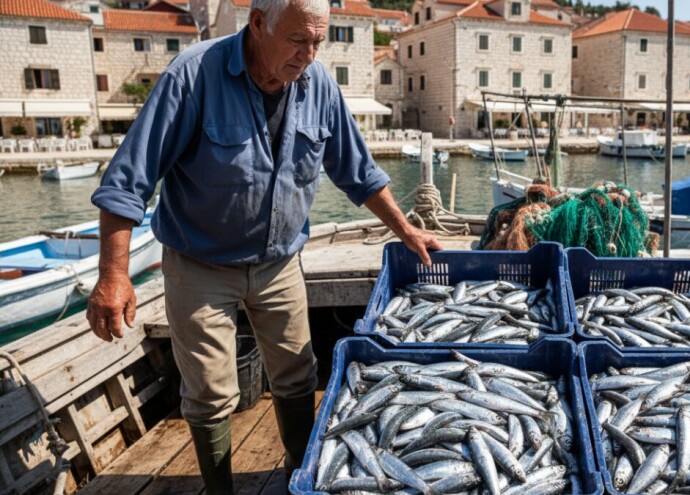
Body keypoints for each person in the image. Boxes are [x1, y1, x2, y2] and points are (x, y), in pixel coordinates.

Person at [86, 0, 441, 492]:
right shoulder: (192, 76)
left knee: (298, 374)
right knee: (211, 393)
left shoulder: (318, 86)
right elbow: (128, 181)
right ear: (257, 24)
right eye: (299, 40)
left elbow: (359, 173)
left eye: (319, 41)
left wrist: (407, 231)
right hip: (200, 264)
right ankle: (220, 488)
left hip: (279, 263)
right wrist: (113, 275)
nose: (310, 55)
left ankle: (303, 474)